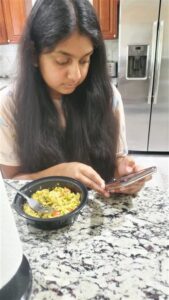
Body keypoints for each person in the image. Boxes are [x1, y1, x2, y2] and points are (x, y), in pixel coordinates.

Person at [0, 0, 150, 197]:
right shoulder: (10, 104)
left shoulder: (109, 97)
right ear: (34, 55)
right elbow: (11, 181)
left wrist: (124, 171)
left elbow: (114, 161)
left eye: (84, 60)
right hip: (42, 216)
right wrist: (58, 175)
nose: (76, 75)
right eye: (62, 61)